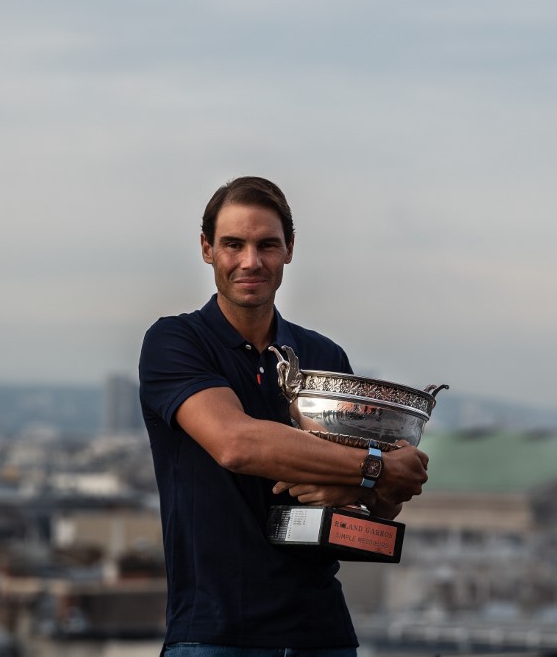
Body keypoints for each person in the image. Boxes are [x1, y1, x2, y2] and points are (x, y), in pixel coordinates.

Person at [139, 176, 431, 656]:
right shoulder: (176, 341)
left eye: (266, 245)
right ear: (206, 249)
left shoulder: (323, 356)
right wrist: (375, 466)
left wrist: (371, 481)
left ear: (289, 250)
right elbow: (237, 444)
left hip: (322, 634)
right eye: (233, 244)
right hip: (215, 634)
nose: (250, 261)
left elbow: (379, 506)